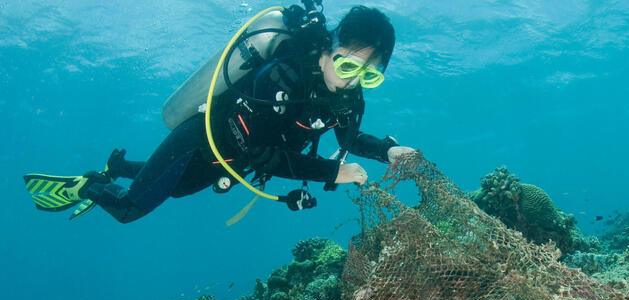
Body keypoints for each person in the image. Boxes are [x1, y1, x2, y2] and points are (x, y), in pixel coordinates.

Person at [23, 4, 416, 222]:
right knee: (129, 209)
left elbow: (348, 140)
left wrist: (386, 151)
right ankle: (91, 184)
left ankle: (118, 165)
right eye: (347, 66)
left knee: (174, 190)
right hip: (201, 139)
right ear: (328, 50)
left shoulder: (349, 96)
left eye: (370, 75)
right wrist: (331, 172)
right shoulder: (283, 77)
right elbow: (258, 153)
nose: (352, 82)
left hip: (227, 162)